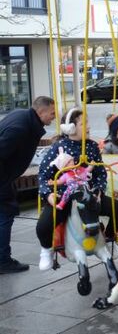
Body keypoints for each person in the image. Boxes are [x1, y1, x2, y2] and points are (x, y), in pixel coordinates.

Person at [36, 108, 118, 271]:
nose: (88, 126)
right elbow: (43, 175)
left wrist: (98, 190)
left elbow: (100, 173)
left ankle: (109, 238)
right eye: (83, 123)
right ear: (70, 128)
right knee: (43, 226)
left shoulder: (92, 147)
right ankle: (46, 250)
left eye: (88, 123)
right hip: (64, 196)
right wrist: (49, 195)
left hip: (88, 196)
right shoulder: (58, 148)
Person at [0, 96, 55, 273]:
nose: (53, 117)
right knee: (5, 215)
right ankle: (2, 261)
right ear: (41, 112)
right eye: (52, 113)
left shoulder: (22, 117)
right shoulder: (20, 128)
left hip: (5, 177)